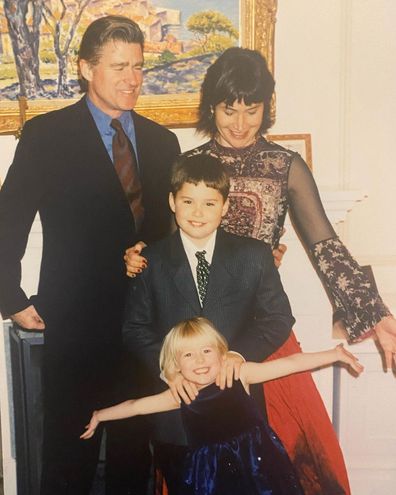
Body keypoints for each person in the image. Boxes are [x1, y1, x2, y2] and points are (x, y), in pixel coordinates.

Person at [126, 46, 396, 494]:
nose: (239, 122)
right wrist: (134, 252)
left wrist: (377, 315)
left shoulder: (284, 166)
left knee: (287, 457)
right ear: (212, 107)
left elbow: (325, 245)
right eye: (229, 109)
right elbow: (159, 240)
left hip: (260, 332)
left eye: (251, 110)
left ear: (266, 108)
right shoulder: (189, 165)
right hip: (194, 340)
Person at [0, 15, 180, 495]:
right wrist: (11, 296)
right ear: (85, 68)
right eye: (119, 66)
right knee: (69, 452)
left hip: (146, 324)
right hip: (75, 323)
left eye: (139, 66)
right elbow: (8, 220)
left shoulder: (165, 142)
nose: (133, 79)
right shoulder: (46, 136)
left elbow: (172, 230)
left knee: (134, 451)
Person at [121, 153, 296, 492]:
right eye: (188, 201)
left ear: (225, 207)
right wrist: (169, 368)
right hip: (178, 409)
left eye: (209, 203)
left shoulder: (254, 256)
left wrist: (240, 354)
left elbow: (279, 317)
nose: (198, 213)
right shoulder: (151, 260)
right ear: (172, 202)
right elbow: (134, 328)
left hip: (237, 409)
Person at [81, 317, 364, 495]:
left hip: (258, 462)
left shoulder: (238, 375)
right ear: (176, 366)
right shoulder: (182, 393)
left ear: (221, 353)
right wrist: (100, 416)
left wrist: (334, 354)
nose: (200, 360)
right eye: (188, 355)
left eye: (206, 351)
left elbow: (289, 364)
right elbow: (136, 406)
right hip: (210, 474)